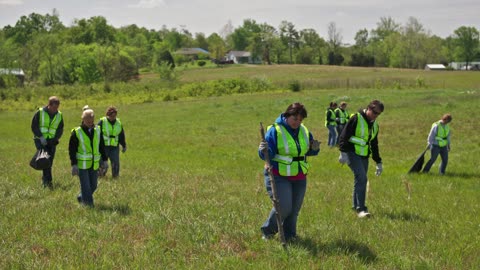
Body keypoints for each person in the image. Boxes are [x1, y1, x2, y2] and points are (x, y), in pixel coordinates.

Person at [258, 102, 320, 241]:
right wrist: (263, 149)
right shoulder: (275, 130)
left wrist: (314, 148)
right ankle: (267, 231)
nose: (297, 122)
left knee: (294, 210)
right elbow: (268, 154)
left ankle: (289, 235)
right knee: (284, 207)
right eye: (295, 119)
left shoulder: (304, 130)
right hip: (279, 175)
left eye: (300, 120)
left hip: (299, 175)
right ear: (287, 116)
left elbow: (308, 150)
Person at [338, 100, 384, 218]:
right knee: (362, 178)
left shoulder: (375, 125)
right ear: (368, 108)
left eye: (378, 114)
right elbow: (344, 135)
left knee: (359, 179)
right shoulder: (356, 118)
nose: (375, 115)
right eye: (374, 112)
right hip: (351, 153)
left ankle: (355, 205)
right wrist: (343, 153)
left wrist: (378, 161)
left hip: (364, 155)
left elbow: (374, 144)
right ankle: (361, 209)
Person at [69, 109, 108, 207]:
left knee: (93, 186)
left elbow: (101, 146)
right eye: (88, 122)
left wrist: (105, 160)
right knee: (86, 186)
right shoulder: (76, 132)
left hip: (94, 164)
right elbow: (72, 150)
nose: (90, 123)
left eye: (92, 121)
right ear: (83, 120)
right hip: (82, 165)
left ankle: (81, 197)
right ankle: (89, 206)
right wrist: (74, 164)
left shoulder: (98, 130)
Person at [31, 96, 64, 189]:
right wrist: (41, 137)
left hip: (52, 141)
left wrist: (57, 138)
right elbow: (34, 126)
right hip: (40, 140)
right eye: (54, 107)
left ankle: (45, 180)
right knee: (45, 160)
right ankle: (48, 182)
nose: (55, 110)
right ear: (49, 105)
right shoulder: (40, 112)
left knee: (50, 161)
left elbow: (60, 128)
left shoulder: (59, 115)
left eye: (57, 107)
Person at [97, 106, 127, 178]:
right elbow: (97, 133)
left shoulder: (118, 123)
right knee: (102, 162)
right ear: (108, 115)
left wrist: (124, 145)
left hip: (114, 146)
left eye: (114, 115)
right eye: (111, 115)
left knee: (115, 162)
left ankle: (115, 176)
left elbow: (121, 134)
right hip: (104, 146)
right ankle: (100, 176)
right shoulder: (102, 122)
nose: (113, 117)